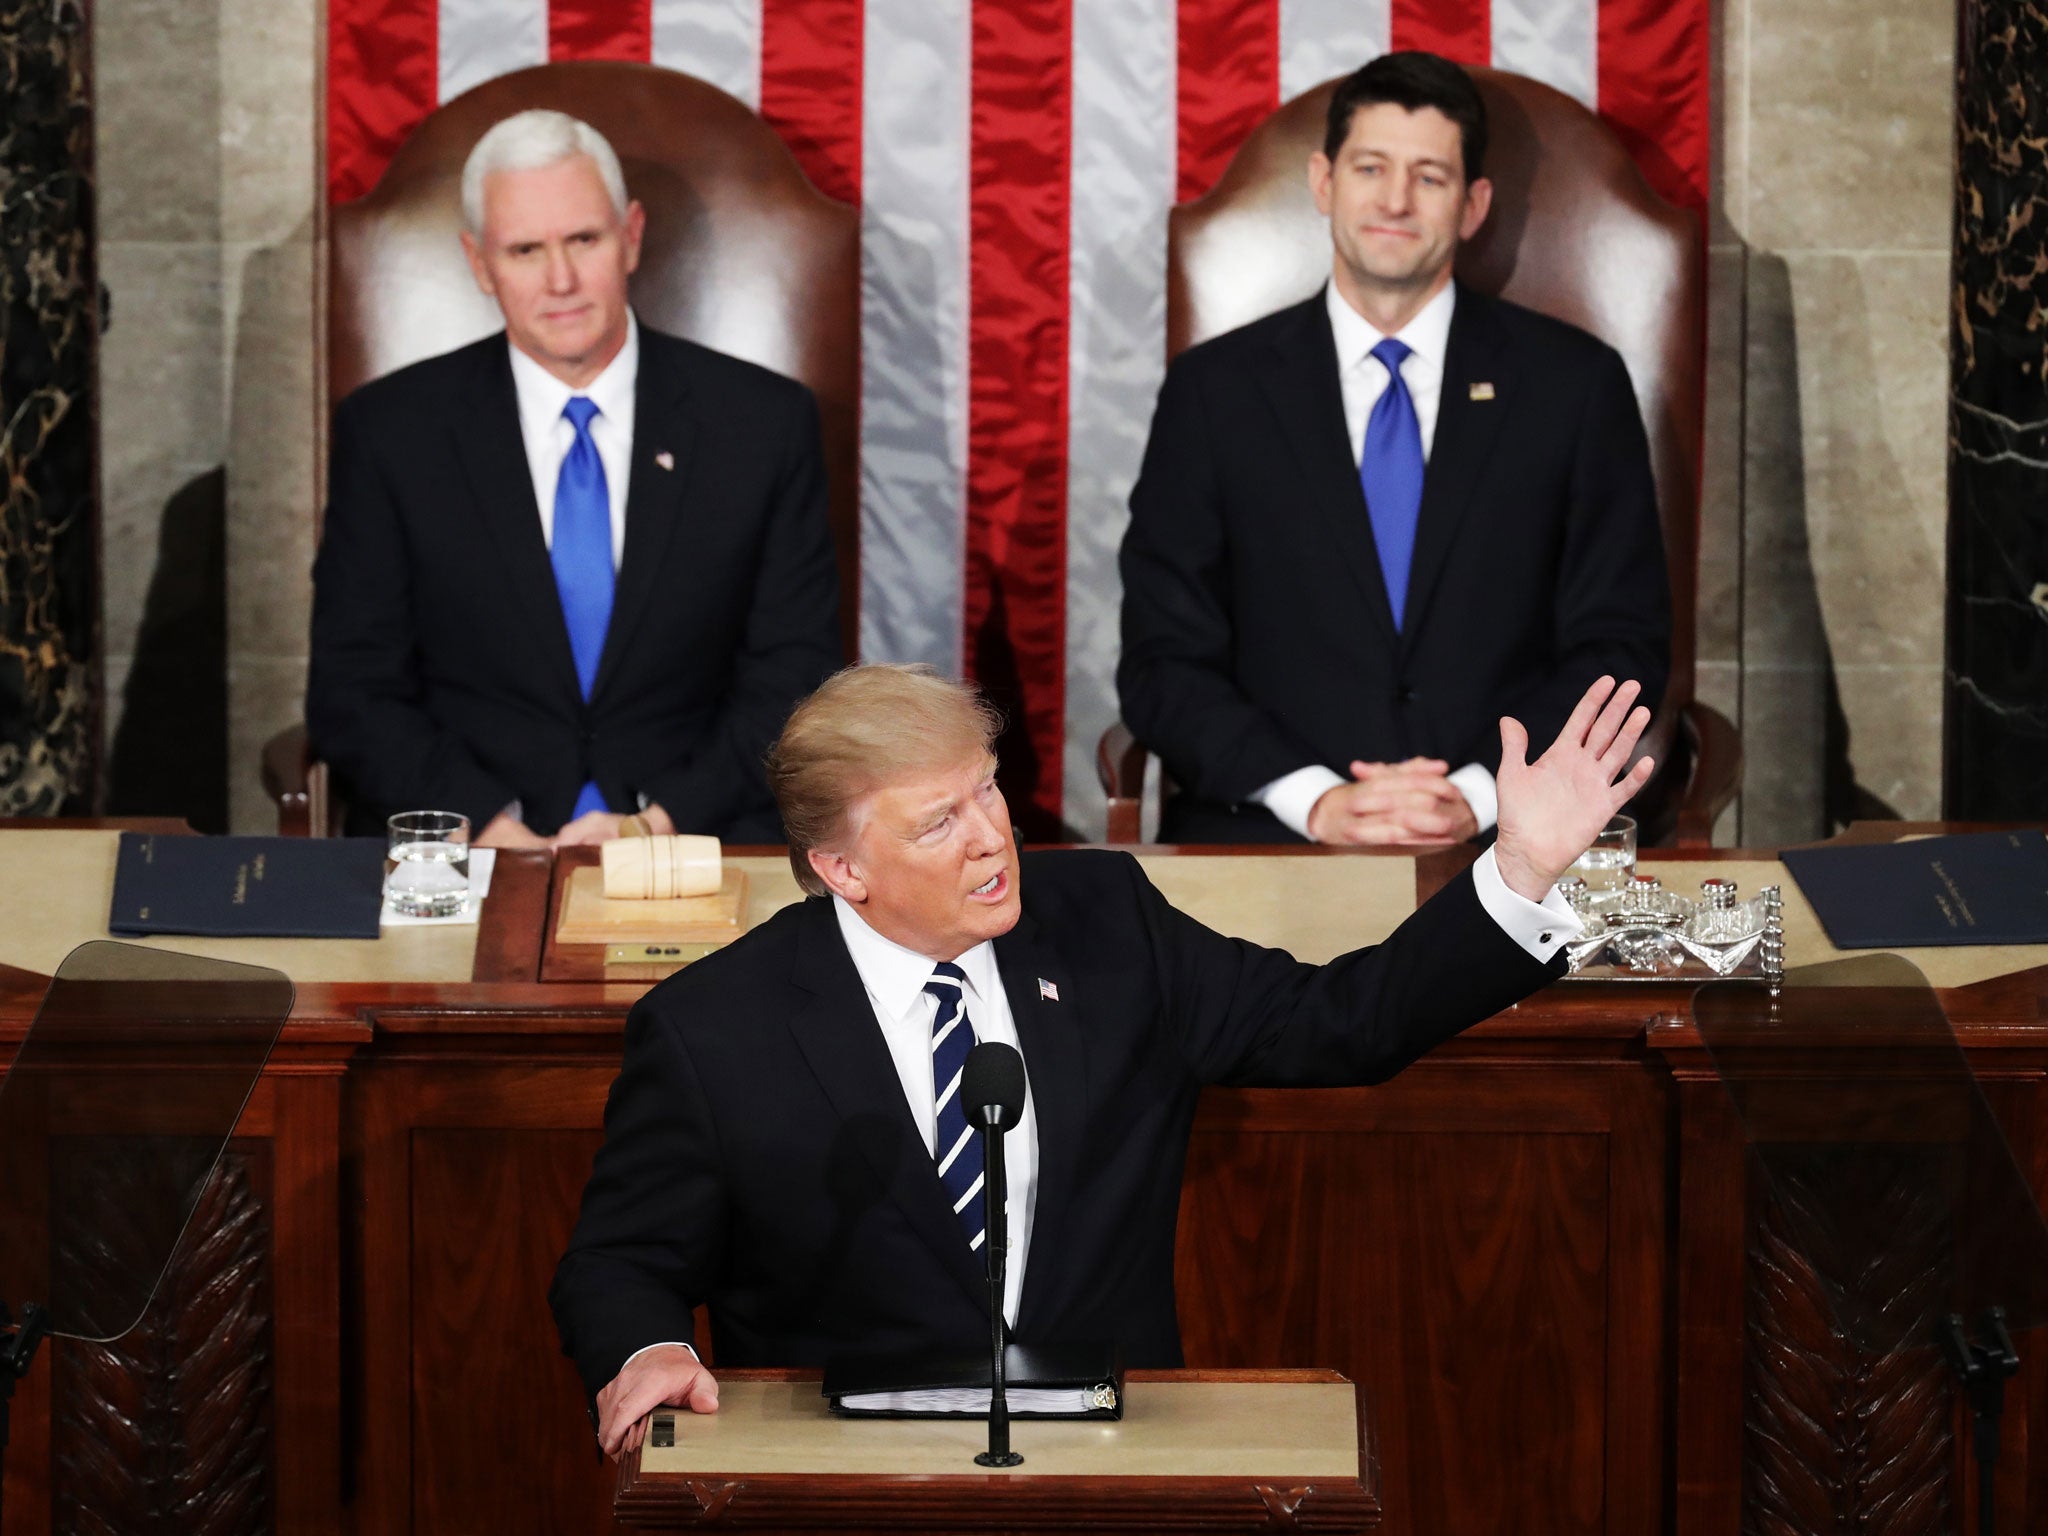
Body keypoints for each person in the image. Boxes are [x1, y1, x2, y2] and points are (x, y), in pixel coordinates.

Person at [550, 661, 1653, 1458]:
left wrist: (1516, 870)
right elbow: (619, 1259)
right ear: (841, 867)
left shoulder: (1104, 923)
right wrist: (644, 1350)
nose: (990, 835)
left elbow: (1342, 1022)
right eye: (937, 823)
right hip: (849, 1469)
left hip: (1112, 1458)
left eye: (987, 788)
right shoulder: (716, 1027)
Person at [1117, 51, 1670, 848]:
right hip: (1271, 838)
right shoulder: (1213, 393)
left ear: (1473, 205)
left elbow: (1621, 645)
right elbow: (1162, 660)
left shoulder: (1574, 387)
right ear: (1323, 182)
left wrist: (1484, 793)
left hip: (1513, 842)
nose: (1395, 200)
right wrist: (1314, 799)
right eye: (1370, 167)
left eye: (1430, 177)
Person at [307, 110, 842, 846]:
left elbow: (795, 677)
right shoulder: (392, 433)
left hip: (698, 839)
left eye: (583, 240)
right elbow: (353, 690)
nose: (560, 280)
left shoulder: (761, 424)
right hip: (469, 848)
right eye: (525, 249)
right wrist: (486, 823)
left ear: (631, 236)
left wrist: (657, 825)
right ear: (479, 263)